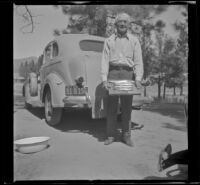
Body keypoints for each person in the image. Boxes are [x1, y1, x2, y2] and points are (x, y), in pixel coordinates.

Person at [101, 12, 144, 146]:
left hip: (128, 74)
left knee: (126, 108)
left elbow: (138, 61)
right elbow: (104, 61)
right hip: (113, 73)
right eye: (120, 22)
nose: (122, 24)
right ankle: (110, 136)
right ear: (116, 24)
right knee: (111, 108)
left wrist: (138, 78)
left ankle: (126, 136)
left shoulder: (134, 40)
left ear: (129, 25)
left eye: (125, 22)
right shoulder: (108, 41)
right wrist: (104, 79)